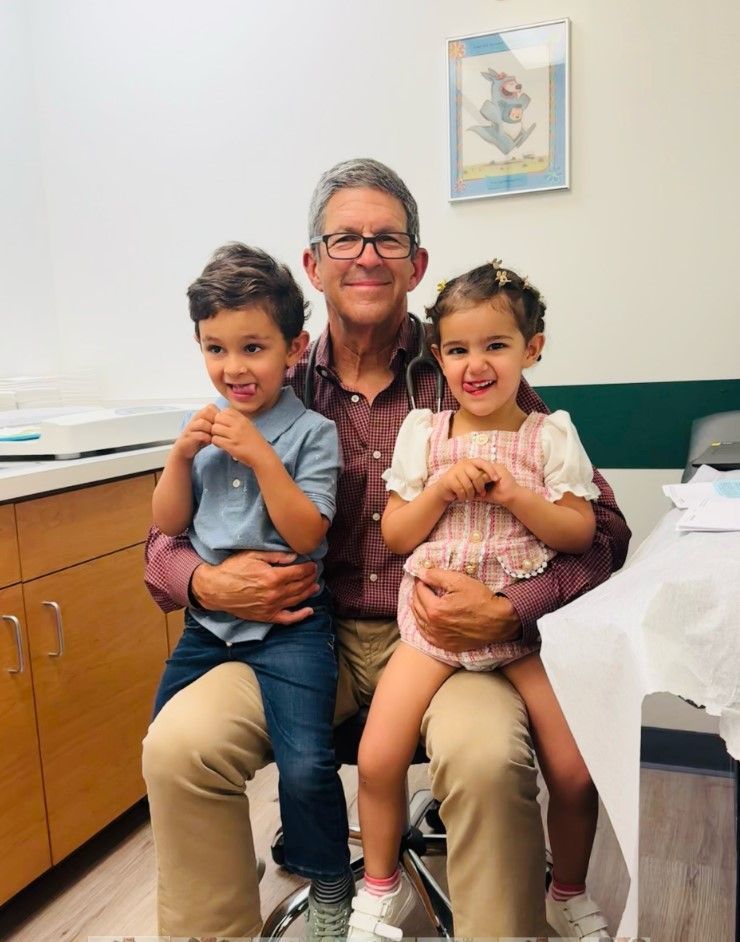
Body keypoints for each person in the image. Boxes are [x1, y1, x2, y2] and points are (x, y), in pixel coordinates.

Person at [142, 157, 631, 940]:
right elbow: (161, 542)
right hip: (298, 639)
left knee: (484, 759)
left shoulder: (470, 368)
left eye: (387, 238)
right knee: (179, 747)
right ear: (313, 265)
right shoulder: (266, 377)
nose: (366, 254)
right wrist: (205, 585)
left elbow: (604, 533)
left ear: (417, 264)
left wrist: (509, 607)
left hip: (449, 639)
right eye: (344, 239)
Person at [346, 261, 609, 941]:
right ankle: (380, 887)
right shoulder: (425, 435)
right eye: (458, 349)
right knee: (377, 759)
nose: (476, 364)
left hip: (519, 631)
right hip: (432, 627)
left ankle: (567, 890)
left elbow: (583, 531)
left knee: (577, 773)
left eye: (496, 345)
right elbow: (398, 535)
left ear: (533, 348)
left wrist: (517, 495)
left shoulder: (548, 436)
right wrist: (439, 491)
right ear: (439, 356)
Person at [149, 243, 354, 933]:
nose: (233, 368)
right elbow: (168, 524)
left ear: (295, 348)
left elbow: (306, 536)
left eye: (253, 348)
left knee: (304, 768)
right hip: (208, 629)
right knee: (168, 744)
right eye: (215, 348)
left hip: (293, 629)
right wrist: (182, 455)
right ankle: (231, 870)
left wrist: (262, 454)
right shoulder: (202, 426)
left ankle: (328, 882)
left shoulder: (311, 433)